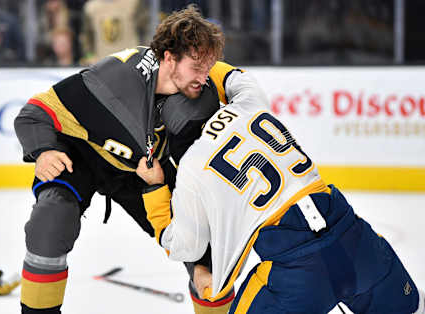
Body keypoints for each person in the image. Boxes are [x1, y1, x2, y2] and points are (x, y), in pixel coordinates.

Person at [11, 5, 266, 314]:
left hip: (144, 169)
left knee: (208, 253)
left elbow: (218, 75)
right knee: (50, 222)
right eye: (197, 67)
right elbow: (33, 113)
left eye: (208, 67)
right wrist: (44, 150)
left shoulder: (192, 81)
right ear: (169, 58)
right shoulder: (109, 82)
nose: (204, 76)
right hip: (84, 155)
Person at [136, 78, 425, 313]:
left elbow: (182, 247)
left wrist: (154, 187)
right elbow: (234, 75)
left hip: (297, 278)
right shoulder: (251, 105)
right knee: (412, 307)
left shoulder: (191, 167)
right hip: (357, 242)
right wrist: (198, 69)